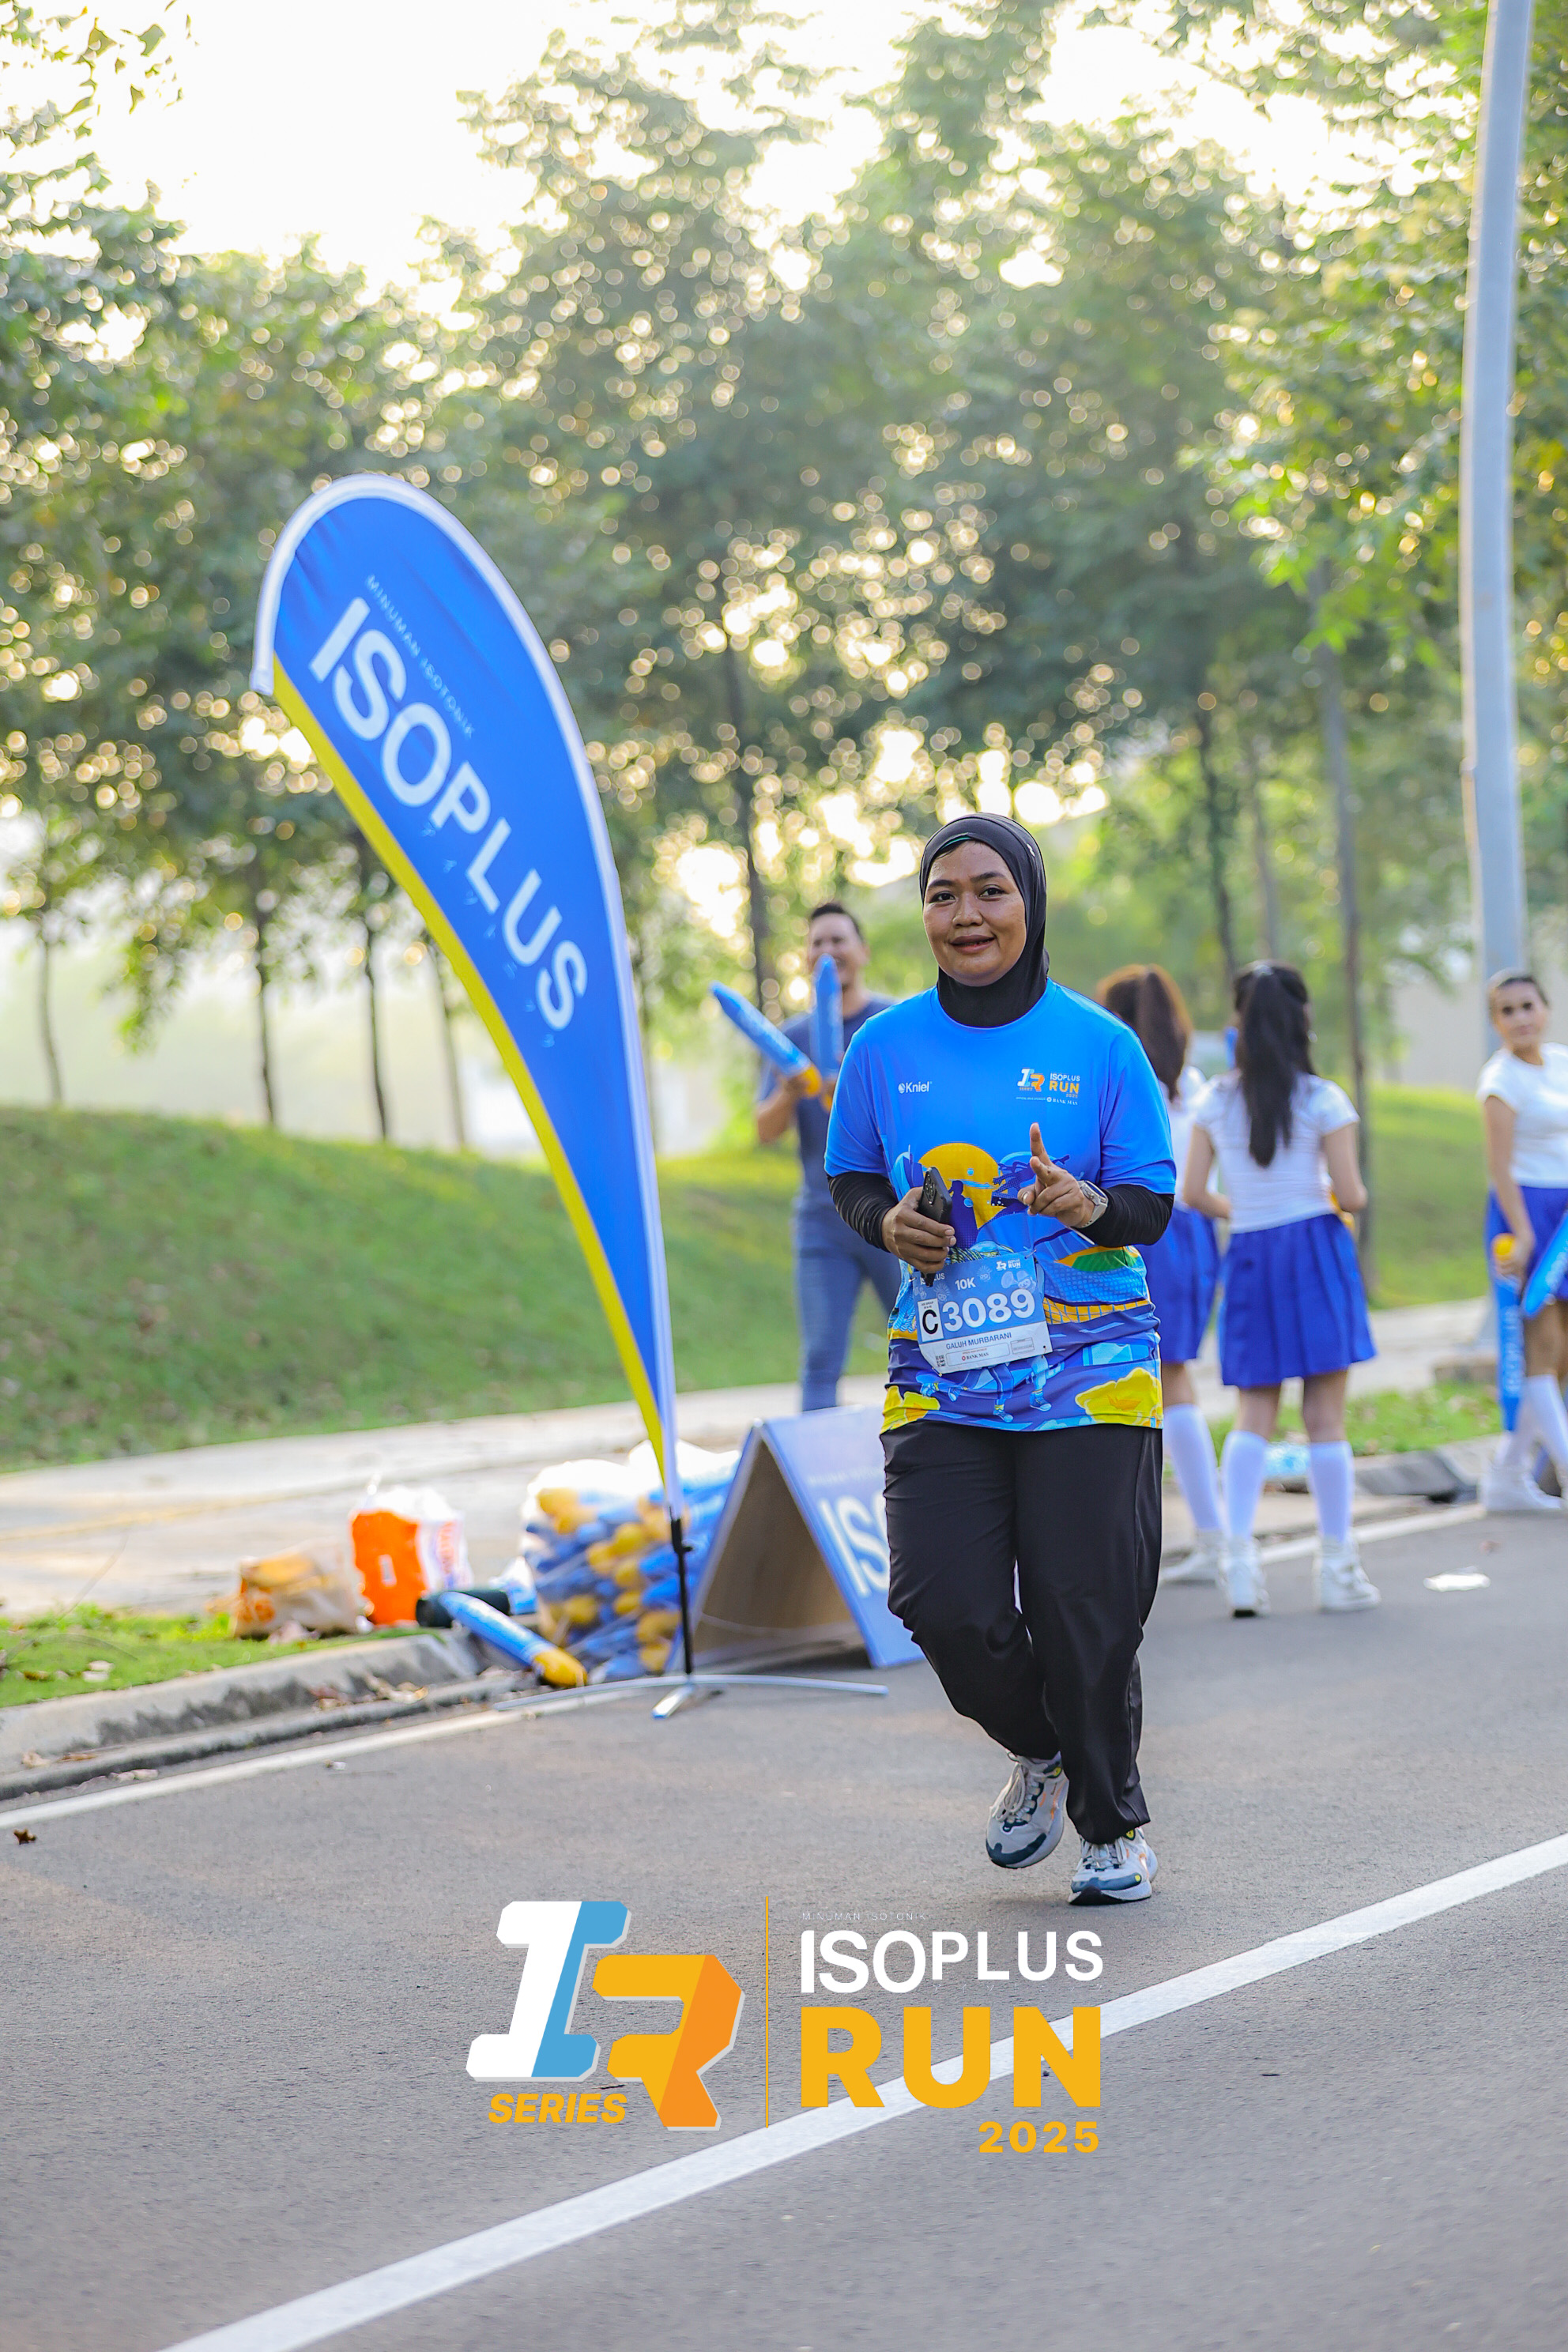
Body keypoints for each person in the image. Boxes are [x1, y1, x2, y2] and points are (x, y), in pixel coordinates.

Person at [824, 815, 1175, 1905]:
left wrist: (1088, 1204)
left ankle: (1112, 1831)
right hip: (944, 1372)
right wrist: (888, 1225)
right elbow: (852, 1179)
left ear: (1030, 901)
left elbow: (1151, 1203)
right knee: (939, 1601)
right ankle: (1043, 1746)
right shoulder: (883, 1048)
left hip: (1090, 1369)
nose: (966, 914)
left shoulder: (1100, 1046)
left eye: (989, 891)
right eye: (943, 895)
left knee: (1085, 1607)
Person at [1182, 961, 1378, 1617]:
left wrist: (1245, 1209)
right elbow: (1351, 1194)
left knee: (1254, 1413)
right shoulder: (1323, 1098)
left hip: (1251, 1255)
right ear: (1303, 1019)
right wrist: (1323, 1195)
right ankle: (1338, 1568)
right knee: (1324, 1417)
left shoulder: (1215, 1100)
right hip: (1316, 1249)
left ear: (1239, 1021)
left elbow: (1194, 1192)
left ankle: (1239, 1562)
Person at [1098, 964, 1225, 1585]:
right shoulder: (1190, 1084)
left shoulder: (1120, 1081)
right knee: (1173, 1379)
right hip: (1193, 1236)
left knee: (1155, 1382)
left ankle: (1210, 1537)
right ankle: (1208, 1535)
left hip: (1146, 1229)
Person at [756, 901, 900, 1411]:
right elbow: (765, 1130)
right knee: (820, 1359)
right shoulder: (792, 1038)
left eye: (838, 940)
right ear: (804, 957)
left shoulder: (890, 1025)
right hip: (822, 1220)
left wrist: (857, 1096)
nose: (827, 950)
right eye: (817, 942)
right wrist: (791, 1091)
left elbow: (924, 1116)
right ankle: (815, 1459)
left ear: (863, 951)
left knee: (930, 1347)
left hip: (893, 1216)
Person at [1476, 968, 1568, 1513]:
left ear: (1545, 1008)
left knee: (1563, 1354)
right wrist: (1523, 1231)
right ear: (1496, 1022)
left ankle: (1507, 1475)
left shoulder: (1561, 1063)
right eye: (1507, 1011)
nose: (1520, 1018)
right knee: (1541, 1347)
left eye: (1528, 1006)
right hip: (1527, 1215)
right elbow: (1500, 1167)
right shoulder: (1499, 1081)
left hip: (1566, 1214)